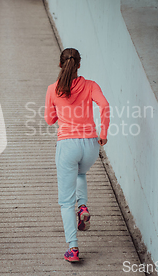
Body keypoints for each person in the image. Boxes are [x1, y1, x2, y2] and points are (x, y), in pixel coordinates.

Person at [44, 48, 110, 262]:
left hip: (68, 145)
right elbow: (105, 105)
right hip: (91, 144)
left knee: (65, 202)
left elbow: (49, 120)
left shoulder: (53, 89)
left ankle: (73, 249)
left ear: (61, 65)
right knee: (80, 173)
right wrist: (103, 133)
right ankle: (83, 207)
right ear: (79, 65)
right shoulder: (90, 85)